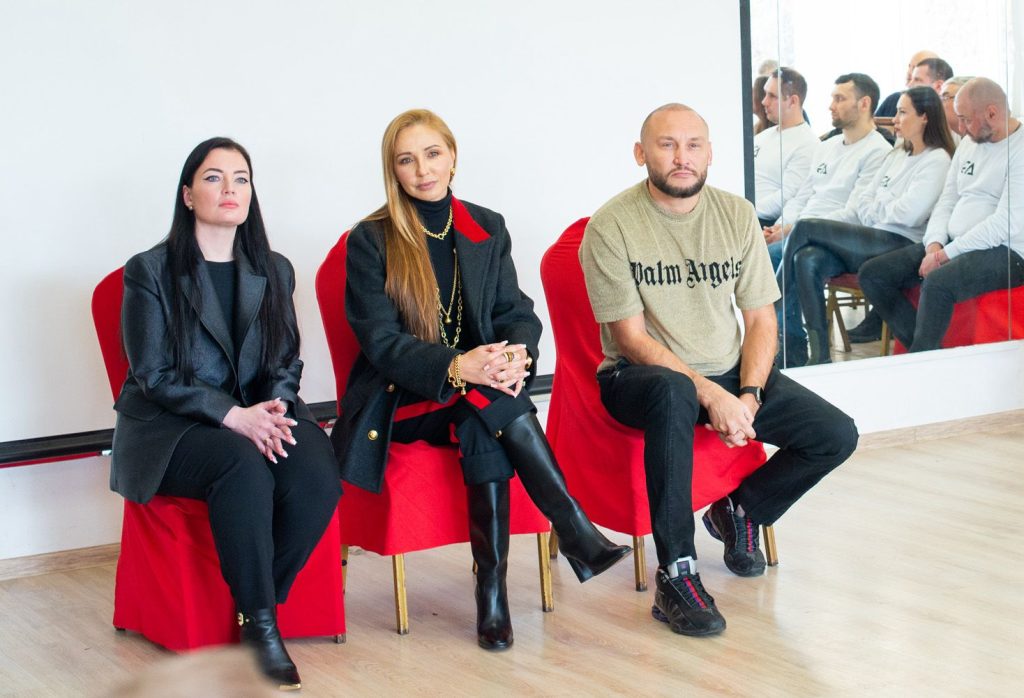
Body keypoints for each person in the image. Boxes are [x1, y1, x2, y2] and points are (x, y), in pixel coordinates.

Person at [332, 109, 631, 652]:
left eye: (432, 154)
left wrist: (517, 353)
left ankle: (493, 594)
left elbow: (516, 311)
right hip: (402, 399)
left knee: (482, 421)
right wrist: (456, 367)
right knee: (489, 403)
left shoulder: (486, 225)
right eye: (406, 160)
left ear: (452, 156)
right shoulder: (371, 239)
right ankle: (571, 530)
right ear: (392, 170)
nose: (423, 169)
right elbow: (380, 342)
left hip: (478, 395)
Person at [580, 103, 857, 637]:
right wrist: (711, 395)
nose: (681, 157)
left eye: (693, 145)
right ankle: (677, 574)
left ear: (710, 153)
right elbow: (631, 340)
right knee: (673, 393)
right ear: (640, 154)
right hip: (639, 379)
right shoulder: (611, 225)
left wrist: (748, 392)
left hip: (729, 373)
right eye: (666, 145)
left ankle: (742, 511)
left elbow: (760, 319)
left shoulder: (735, 214)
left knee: (835, 434)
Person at [111, 138, 342, 690]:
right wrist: (234, 416)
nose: (230, 189)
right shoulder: (149, 270)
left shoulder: (274, 269)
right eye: (214, 178)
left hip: (257, 413)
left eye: (241, 178)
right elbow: (154, 375)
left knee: (315, 471)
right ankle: (261, 628)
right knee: (241, 466)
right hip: (170, 427)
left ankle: (254, 602)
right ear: (188, 195)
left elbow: (285, 358)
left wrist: (276, 410)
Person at [777, 87, 955, 364]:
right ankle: (820, 355)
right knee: (807, 258)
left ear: (924, 117)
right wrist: (885, 206)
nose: (894, 119)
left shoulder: (937, 159)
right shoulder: (896, 154)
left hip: (901, 242)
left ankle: (773, 304)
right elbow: (864, 204)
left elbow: (909, 215)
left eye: (903, 112)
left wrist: (879, 206)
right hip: (872, 235)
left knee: (804, 228)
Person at [860, 77, 1024, 352]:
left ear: (992, 113)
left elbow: (1005, 224)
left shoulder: (1019, 149)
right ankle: (925, 352)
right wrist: (934, 243)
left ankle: (921, 361)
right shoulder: (969, 142)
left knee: (937, 282)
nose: (960, 128)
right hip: (953, 241)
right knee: (873, 274)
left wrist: (945, 255)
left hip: (1008, 251)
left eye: (966, 120)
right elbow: (947, 199)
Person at [764, 73, 891, 365]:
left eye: (839, 99)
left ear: (864, 104)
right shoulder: (827, 147)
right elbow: (803, 196)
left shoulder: (879, 152)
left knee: (779, 255)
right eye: (832, 98)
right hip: (804, 236)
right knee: (795, 255)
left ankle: (790, 345)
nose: (830, 106)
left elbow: (855, 213)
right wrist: (781, 226)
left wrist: (793, 230)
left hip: (845, 240)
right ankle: (797, 346)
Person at [753, 67, 819, 228]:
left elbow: (787, 197)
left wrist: (744, 210)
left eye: (772, 96)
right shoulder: (762, 136)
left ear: (793, 101)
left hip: (761, 221)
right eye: (765, 94)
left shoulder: (808, 145)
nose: (764, 102)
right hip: (742, 212)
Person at [876, 49, 939, 117]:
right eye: (909, 66)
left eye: (915, 68)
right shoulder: (894, 99)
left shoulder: (939, 109)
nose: (909, 72)